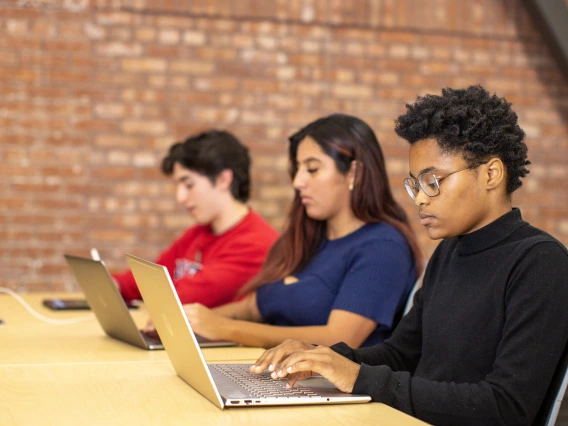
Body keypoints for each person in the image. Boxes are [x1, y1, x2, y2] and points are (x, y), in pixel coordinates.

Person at [251, 86, 568, 425]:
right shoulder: (449, 251)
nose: (419, 199)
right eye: (415, 185)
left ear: (491, 173)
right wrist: (322, 357)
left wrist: (359, 378)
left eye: (433, 181)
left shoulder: (541, 263)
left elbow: (505, 407)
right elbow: (400, 354)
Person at [173, 114, 423, 349]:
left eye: (312, 169)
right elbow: (252, 307)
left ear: (354, 173)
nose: (297, 182)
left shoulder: (383, 247)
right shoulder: (307, 239)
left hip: (329, 390)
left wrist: (226, 329)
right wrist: (188, 320)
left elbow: (339, 339)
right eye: (298, 169)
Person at [112, 130, 278, 307]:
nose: (180, 197)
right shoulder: (198, 233)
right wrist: (115, 285)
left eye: (189, 185)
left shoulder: (258, 244)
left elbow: (181, 299)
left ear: (223, 179)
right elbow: (149, 278)